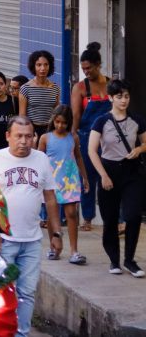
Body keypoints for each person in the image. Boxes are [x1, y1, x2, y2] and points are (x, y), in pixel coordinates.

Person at [0, 116, 62, 337]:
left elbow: (50, 198)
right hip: (2, 241)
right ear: (8, 137)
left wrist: (56, 233)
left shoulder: (41, 159)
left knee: (27, 292)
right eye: (18, 136)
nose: (24, 141)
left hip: (32, 240)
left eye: (28, 136)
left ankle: (21, 333)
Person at [87, 79, 146, 278]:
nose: (124, 100)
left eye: (127, 96)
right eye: (119, 96)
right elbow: (92, 150)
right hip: (109, 171)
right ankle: (114, 260)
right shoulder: (101, 121)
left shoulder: (137, 120)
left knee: (133, 215)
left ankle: (130, 260)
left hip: (132, 172)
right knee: (110, 219)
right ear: (111, 98)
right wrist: (103, 175)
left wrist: (139, 149)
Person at [38, 105, 89, 265]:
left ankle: (74, 251)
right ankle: (54, 248)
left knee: (72, 214)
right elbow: (38, 159)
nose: (60, 125)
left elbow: (79, 157)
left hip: (70, 180)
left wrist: (85, 177)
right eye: (57, 122)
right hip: (51, 181)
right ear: (53, 120)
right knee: (53, 217)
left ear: (69, 123)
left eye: (64, 123)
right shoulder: (45, 138)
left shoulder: (73, 137)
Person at [70, 43, 110, 232]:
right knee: (87, 178)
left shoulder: (111, 84)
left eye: (89, 68)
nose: (86, 72)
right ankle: (87, 218)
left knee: (110, 176)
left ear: (99, 65)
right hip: (86, 137)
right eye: (83, 68)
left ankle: (115, 217)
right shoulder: (80, 88)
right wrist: (73, 138)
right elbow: (76, 115)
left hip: (110, 139)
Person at [19, 50, 60, 139]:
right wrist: (28, 133)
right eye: (39, 65)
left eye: (46, 64)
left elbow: (57, 112)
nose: (43, 68)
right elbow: (22, 116)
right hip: (32, 131)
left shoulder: (55, 88)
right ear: (33, 66)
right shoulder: (25, 88)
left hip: (50, 131)